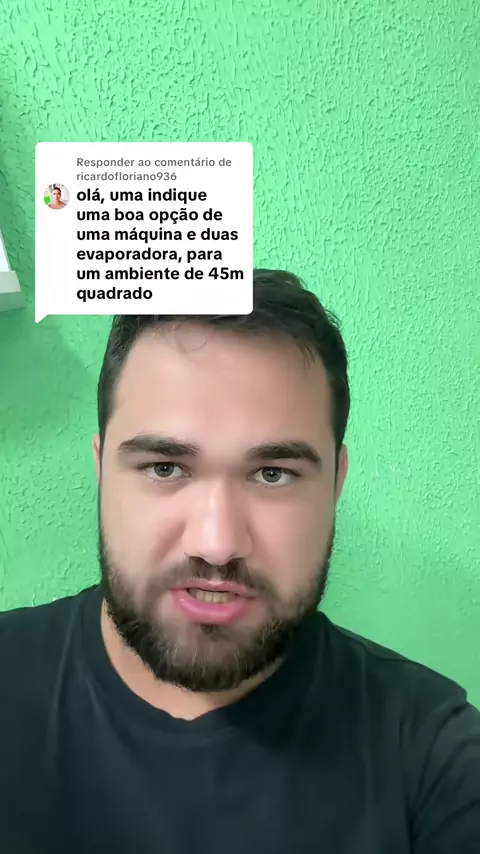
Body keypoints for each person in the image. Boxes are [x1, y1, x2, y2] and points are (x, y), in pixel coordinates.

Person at [0, 269, 478, 854]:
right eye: (165, 468)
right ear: (102, 471)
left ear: (335, 484)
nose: (217, 543)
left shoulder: (432, 752)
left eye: (272, 474)